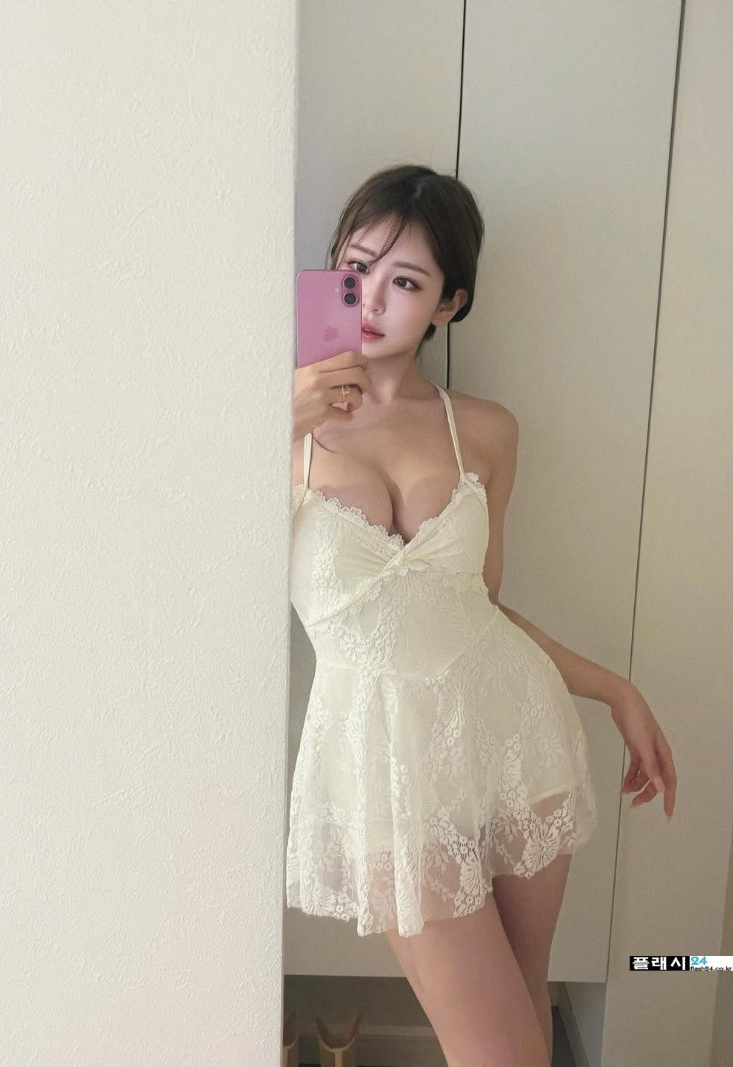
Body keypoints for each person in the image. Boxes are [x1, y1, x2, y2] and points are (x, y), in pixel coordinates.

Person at [287, 163, 677, 1066]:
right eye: (357, 266)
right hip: (385, 764)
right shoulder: (276, 428)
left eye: (406, 280)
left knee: (525, 1024)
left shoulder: (487, 431)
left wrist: (614, 689)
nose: (372, 298)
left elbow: (480, 610)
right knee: (504, 1052)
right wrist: (280, 415)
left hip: (513, 741)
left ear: (450, 304)